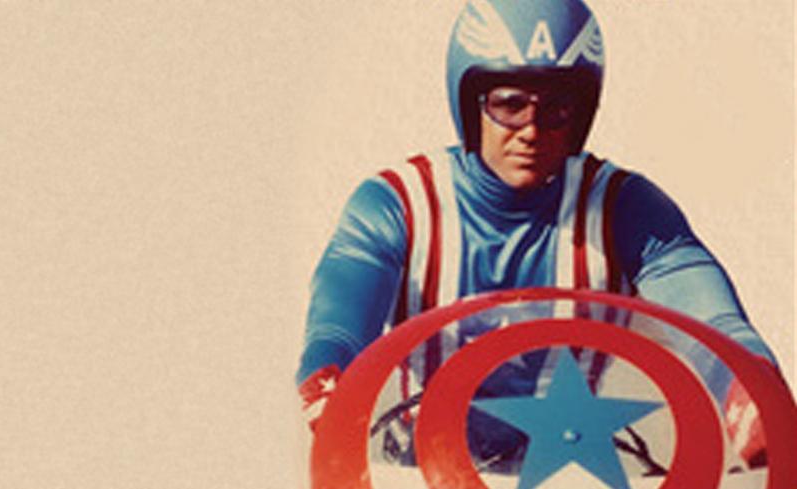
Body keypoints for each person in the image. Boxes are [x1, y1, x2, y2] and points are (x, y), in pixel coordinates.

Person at [296, 0, 779, 472]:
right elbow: (338, 327)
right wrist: (326, 380)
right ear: (469, 103)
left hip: (574, 474)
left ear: (581, 114)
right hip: (420, 474)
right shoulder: (399, 205)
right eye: (510, 104)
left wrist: (751, 389)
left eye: (556, 108)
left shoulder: (626, 209)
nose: (531, 130)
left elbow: (714, 322)